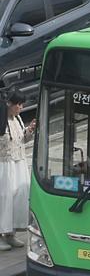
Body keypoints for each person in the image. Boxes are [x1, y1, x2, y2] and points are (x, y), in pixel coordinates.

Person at [0, 93, 30, 249]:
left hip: (19, 163)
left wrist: (29, 131)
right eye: (19, 104)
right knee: (4, 199)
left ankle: (10, 234)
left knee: (19, 198)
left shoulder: (17, 119)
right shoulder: (2, 120)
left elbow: (22, 140)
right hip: (5, 164)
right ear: (9, 104)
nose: (21, 108)